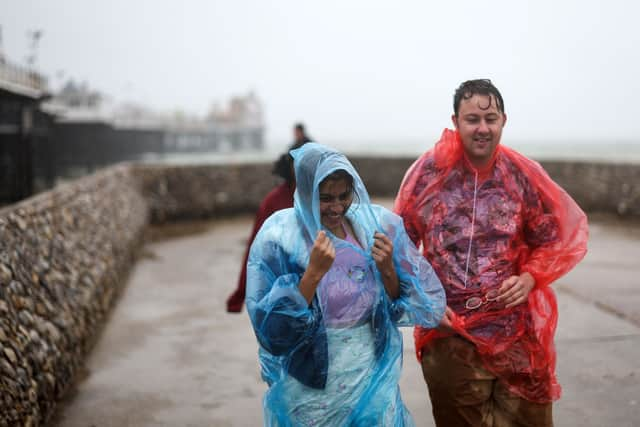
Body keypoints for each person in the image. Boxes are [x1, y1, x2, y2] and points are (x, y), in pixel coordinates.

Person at [394, 79, 589, 426]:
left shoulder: (522, 175)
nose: (482, 128)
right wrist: (426, 305)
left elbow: (553, 237)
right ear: (455, 122)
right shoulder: (428, 176)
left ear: (503, 121)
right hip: (450, 334)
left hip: (518, 335)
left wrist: (530, 278)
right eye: (472, 119)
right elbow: (400, 249)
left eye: (491, 118)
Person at [246, 143, 446, 425]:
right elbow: (273, 334)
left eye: (344, 196)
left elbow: (399, 308)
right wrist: (313, 274)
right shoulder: (281, 239)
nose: (337, 207)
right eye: (325, 198)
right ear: (304, 192)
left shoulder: (370, 228)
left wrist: (387, 268)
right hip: (313, 382)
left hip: (370, 369)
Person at [226, 123, 313, 312]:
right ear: (290, 165)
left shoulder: (322, 200)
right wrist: (242, 293)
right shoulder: (274, 201)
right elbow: (255, 248)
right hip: (280, 288)